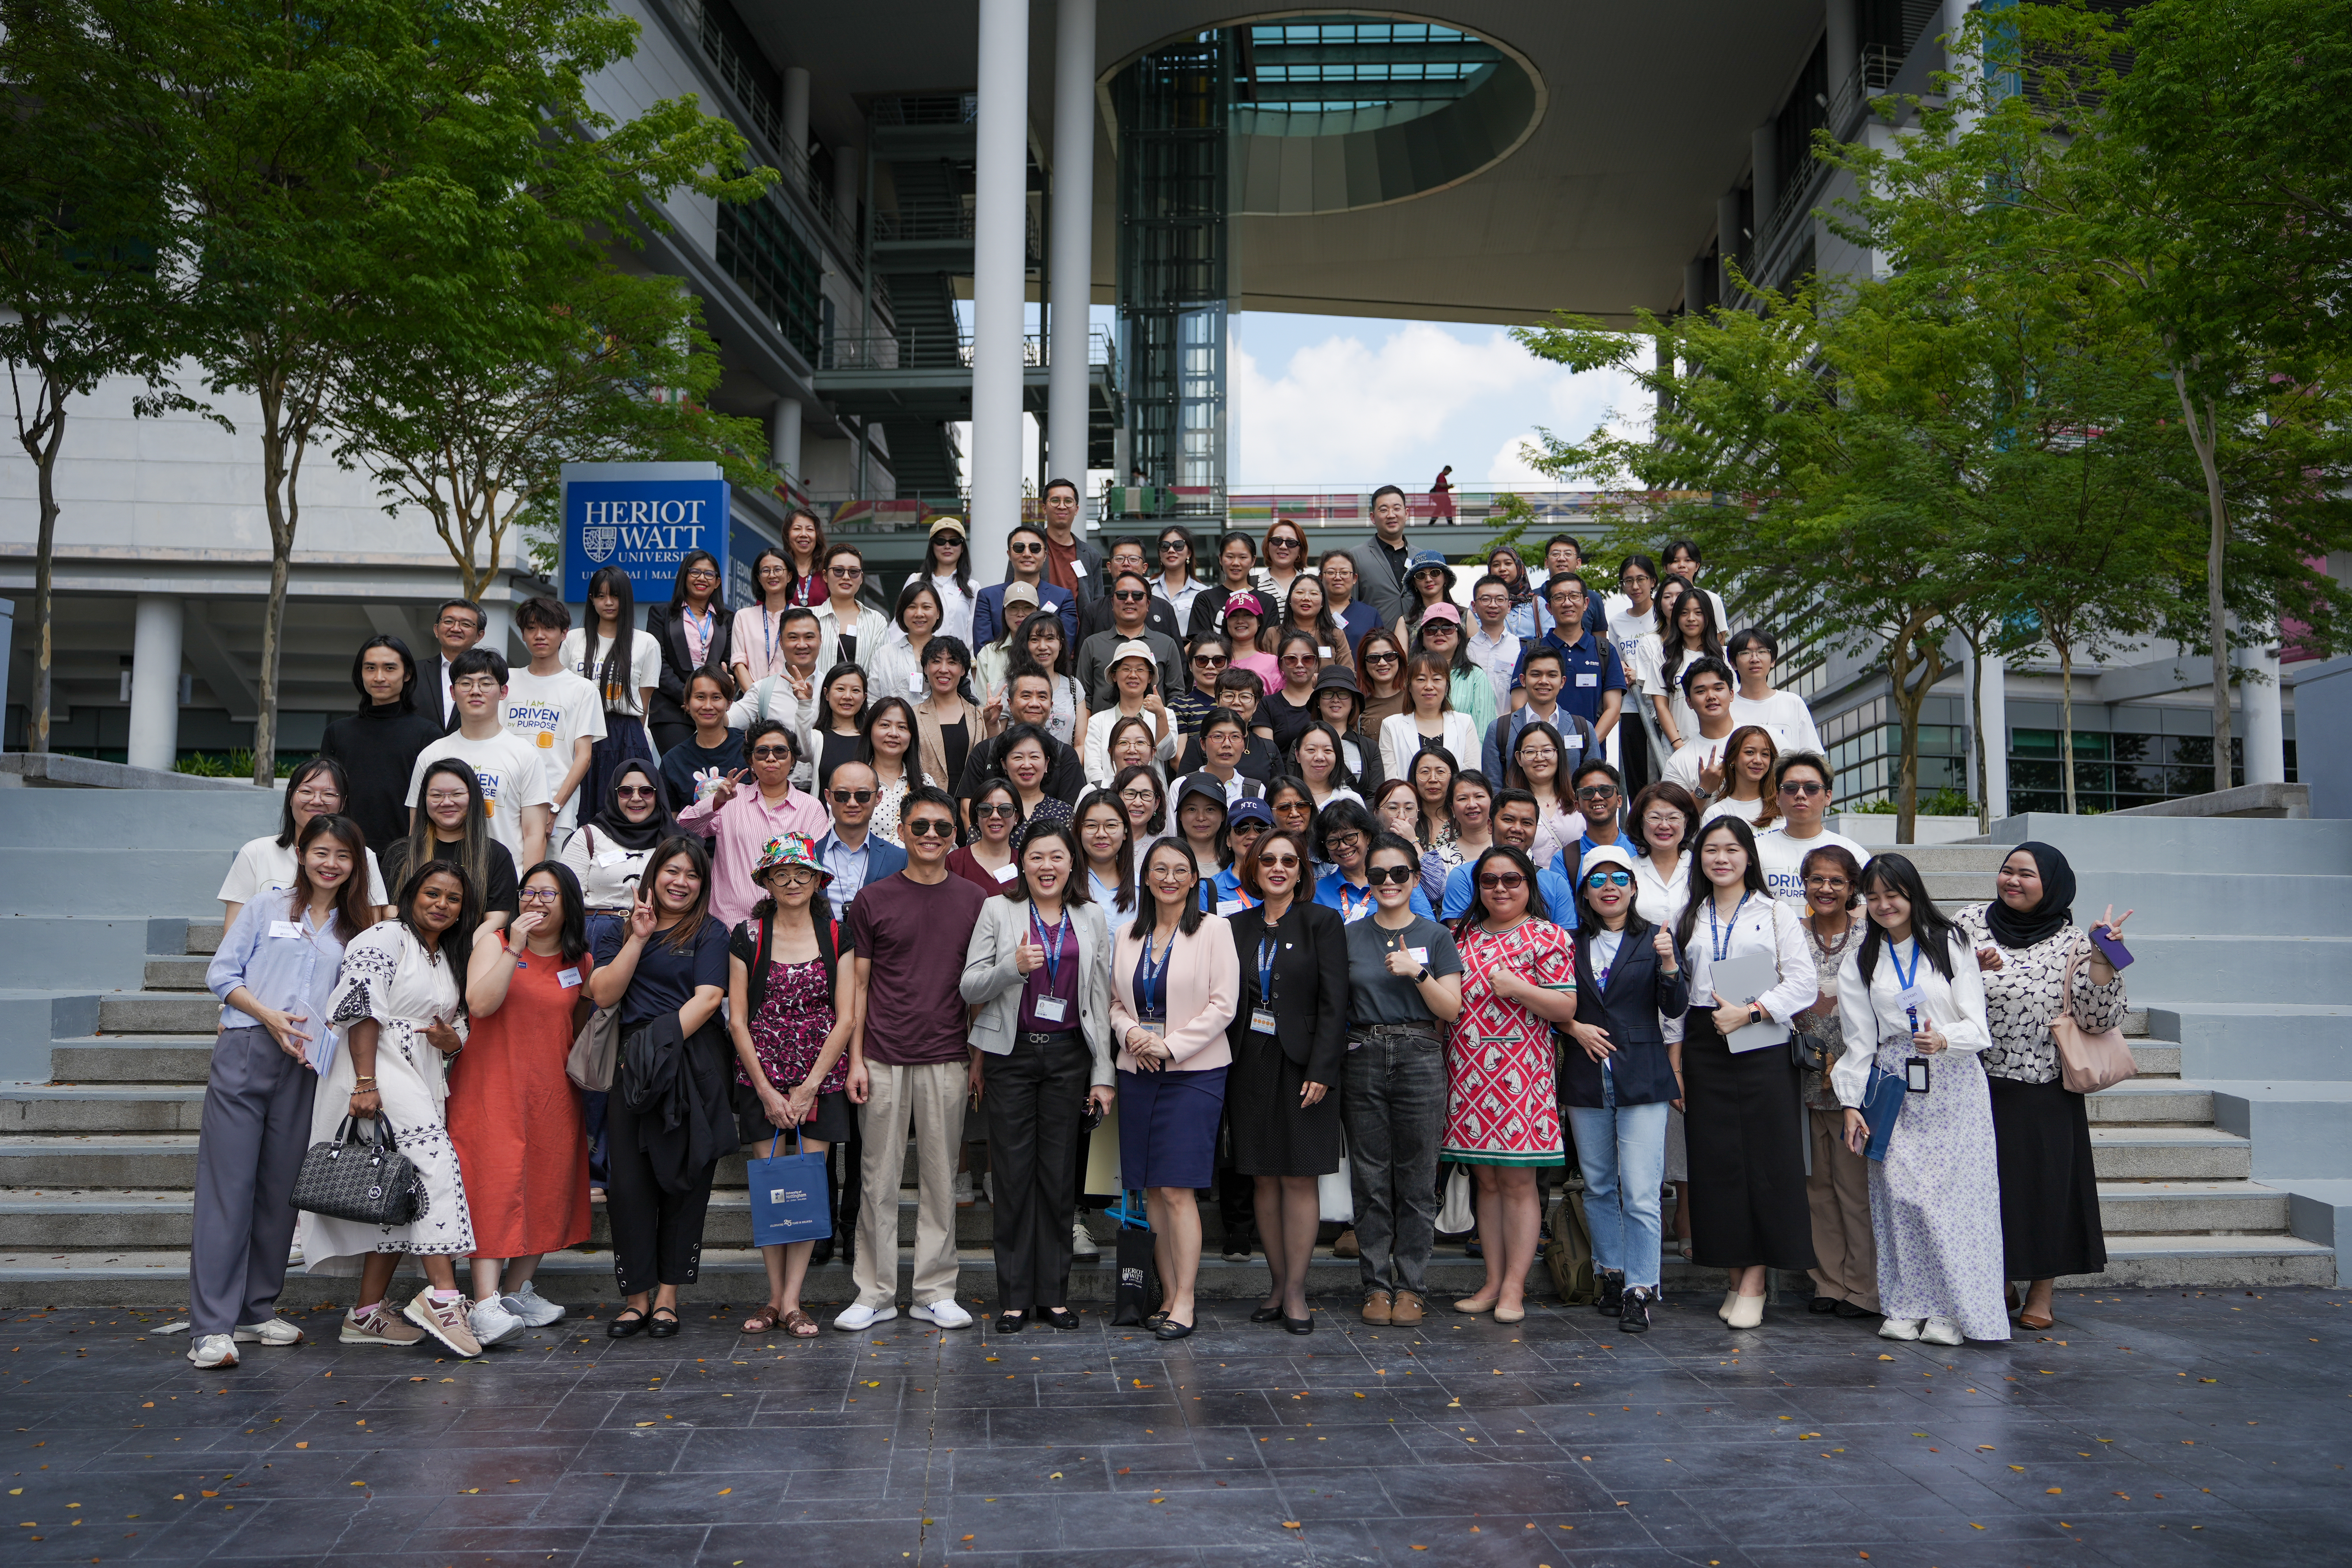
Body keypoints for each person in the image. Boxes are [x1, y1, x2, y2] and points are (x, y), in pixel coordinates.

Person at [187, 814, 376, 1369]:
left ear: (354, 864)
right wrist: (268, 1015)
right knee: (228, 1190)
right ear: (302, 851)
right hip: (247, 1050)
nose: (330, 863)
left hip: (307, 1066)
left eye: (342, 854)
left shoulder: (354, 929)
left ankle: (255, 1308)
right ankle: (211, 1327)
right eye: (321, 851)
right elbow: (222, 974)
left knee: (278, 1192)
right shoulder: (265, 907)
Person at [302, 859, 482, 1356]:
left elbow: (457, 1024)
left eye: (453, 898)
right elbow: (360, 1004)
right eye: (433, 893)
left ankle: (365, 1313)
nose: (442, 904)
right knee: (434, 1167)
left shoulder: (443, 955)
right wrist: (364, 1081)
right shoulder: (383, 938)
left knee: (401, 1190)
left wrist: (452, 1040)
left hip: (422, 1074)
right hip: (377, 1065)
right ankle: (443, 1299)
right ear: (410, 894)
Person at [1957, 843, 2131, 1333]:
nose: (2012, 880)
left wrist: (2104, 958)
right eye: (2007, 870)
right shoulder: (1968, 921)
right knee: (1983, 1190)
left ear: (2050, 883)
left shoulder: (2077, 941)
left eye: (2026, 874)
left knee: (2044, 1191)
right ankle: (1996, 1278)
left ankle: (2041, 1289)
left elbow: (2099, 1019)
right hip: (1974, 1081)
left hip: (2043, 1085)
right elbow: (1939, 980)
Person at [1834, 853, 2004, 1346]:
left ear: (1913, 893)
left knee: (1952, 1202)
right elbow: (1858, 1040)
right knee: (1901, 1199)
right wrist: (1851, 1103)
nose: (1884, 905)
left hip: (1952, 1081)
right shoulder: (1861, 959)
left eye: (1894, 894)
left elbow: (1978, 1025)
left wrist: (1946, 1038)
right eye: (1874, 896)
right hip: (1894, 1084)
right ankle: (1908, 1303)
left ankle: (1953, 1308)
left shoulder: (1951, 943)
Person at [837, 786, 990, 1331]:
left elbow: (981, 990)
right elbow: (858, 986)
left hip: (947, 1054)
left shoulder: (975, 902)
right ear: (901, 831)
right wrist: (853, 1060)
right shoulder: (872, 899)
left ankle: (934, 1289)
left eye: (942, 828)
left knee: (941, 1178)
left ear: (956, 835)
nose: (931, 836)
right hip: (880, 1054)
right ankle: (874, 1292)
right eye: (920, 826)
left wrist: (976, 1056)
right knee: (877, 1180)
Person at [960, 823, 1116, 1331]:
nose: (1047, 866)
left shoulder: (1092, 916)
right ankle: (1013, 1296)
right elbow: (968, 985)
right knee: (1012, 1177)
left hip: (1070, 1057)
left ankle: (1053, 1295)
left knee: (1056, 1179)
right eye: (1036, 857)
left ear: (1072, 863)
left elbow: (1098, 998)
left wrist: (1103, 1073)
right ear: (1021, 863)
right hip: (1012, 1057)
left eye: (1057, 856)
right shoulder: (997, 909)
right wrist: (1012, 965)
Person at [1670, 816, 1818, 1330]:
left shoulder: (1775, 912)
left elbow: (1803, 982)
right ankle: (1734, 1277)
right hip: (1704, 1041)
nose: (1721, 858)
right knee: (1717, 1166)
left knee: (1765, 1162)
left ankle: (1755, 1280)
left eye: (1732, 849)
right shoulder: (1688, 914)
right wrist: (1676, 1062)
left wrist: (1752, 1011)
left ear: (1748, 856)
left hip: (1761, 1040)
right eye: (1711, 849)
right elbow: (1674, 995)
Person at [586, 836, 733, 1339]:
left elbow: (710, 997)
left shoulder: (712, 932)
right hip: (630, 1067)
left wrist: (657, 1042)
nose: (681, 882)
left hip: (690, 1061)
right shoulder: (615, 928)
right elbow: (603, 992)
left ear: (702, 884)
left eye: (692, 875)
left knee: (685, 1179)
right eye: (672, 870)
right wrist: (637, 937)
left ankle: (669, 1296)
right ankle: (636, 1298)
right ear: (653, 874)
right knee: (629, 1184)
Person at [451, 860, 594, 1347]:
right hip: (490, 1085)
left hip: (552, 1091)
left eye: (548, 893)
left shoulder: (581, 961)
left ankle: (515, 1291)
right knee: (493, 1185)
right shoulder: (491, 944)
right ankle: (484, 1301)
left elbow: (575, 1024)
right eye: (529, 891)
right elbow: (480, 1003)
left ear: (569, 903)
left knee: (546, 1183)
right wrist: (514, 945)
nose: (535, 900)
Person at [1110, 839, 1241, 1340]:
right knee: (1154, 1191)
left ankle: (1185, 1299)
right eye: (1159, 869)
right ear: (1145, 877)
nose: (1169, 877)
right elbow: (1115, 1002)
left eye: (1179, 870)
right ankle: (1165, 1294)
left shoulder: (1214, 930)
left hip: (1195, 1072)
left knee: (1179, 1188)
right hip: (1138, 1070)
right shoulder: (1127, 933)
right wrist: (1131, 1035)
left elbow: (1223, 1005)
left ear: (1194, 879)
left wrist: (1168, 1046)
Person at [728, 834, 857, 1339]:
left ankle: (791, 1300)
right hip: (761, 1078)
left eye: (802, 872)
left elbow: (845, 1017)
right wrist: (766, 1090)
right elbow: (738, 1020)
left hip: (818, 1080)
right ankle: (774, 1296)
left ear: (818, 878)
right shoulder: (748, 933)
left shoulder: (836, 933)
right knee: (771, 1189)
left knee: (804, 1186)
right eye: (780, 873)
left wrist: (808, 1089)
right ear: (765, 880)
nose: (792, 881)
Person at [1444, 845, 1577, 1323]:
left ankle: (1514, 1288)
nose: (1500, 888)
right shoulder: (1460, 936)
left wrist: (1519, 987)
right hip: (1469, 1071)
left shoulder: (1548, 936)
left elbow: (1565, 1008)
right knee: (1487, 1177)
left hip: (1522, 1074)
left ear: (1529, 885)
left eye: (1512, 879)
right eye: (1490, 880)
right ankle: (1491, 1281)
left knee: (1519, 1180)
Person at [1561, 842, 1689, 1335]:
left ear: (1633, 889)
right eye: (1597, 879)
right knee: (1598, 1185)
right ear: (1585, 893)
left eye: (1618, 879)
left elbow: (1674, 1006)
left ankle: (1641, 1287)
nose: (1608, 887)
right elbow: (1554, 1008)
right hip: (1585, 1075)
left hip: (1642, 1075)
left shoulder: (1654, 938)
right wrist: (1574, 1027)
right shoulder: (1567, 943)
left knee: (1639, 1190)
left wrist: (1670, 964)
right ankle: (1609, 1273)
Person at [1343, 830, 1465, 1325]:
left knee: (1416, 1176)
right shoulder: (1350, 934)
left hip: (1419, 1050)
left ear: (1415, 878)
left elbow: (1452, 1008)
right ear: (1368, 881)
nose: (1389, 882)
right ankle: (1375, 1284)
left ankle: (1412, 1285)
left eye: (1399, 873)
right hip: (1364, 1049)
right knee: (1370, 1175)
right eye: (1378, 874)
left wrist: (1418, 972)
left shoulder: (1436, 936)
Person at [1788, 842, 1877, 1321]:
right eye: (1816, 879)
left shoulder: (1871, 933)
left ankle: (1863, 1286)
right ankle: (1828, 1281)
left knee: (1853, 1186)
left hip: (1855, 1080)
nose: (1825, 888)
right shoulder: (1789, 930)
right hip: (1800, 1075)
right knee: (1816, 1186)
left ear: (1852, 888)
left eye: (1836, 881)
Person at [1627, 779, 1699, 1257]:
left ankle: (1691, 1214)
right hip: (1646, 1002)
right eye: (1655, 815)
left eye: (1674, 815)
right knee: (1657, 1114)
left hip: (1711, 998)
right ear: (1640, 821)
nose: (1665, 824)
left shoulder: (1705, 867)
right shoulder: (1627, 871)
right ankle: (1650, 1218)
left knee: (1695, 1114)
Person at [406, 648, 554, 872]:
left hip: (503, 884)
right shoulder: (432, 755)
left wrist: (525, 891)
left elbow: (535, 834)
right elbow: (417, 830)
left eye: (486, 684)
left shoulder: (525, 755)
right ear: (453, 693)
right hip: (441, 887)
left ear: (503, 692)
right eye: (466, 684)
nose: (476, 691)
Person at [675, 719, 829, 930]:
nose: (771, 758)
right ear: (751, 760)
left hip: (787, 927)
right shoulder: (730, 800)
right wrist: (716, 802)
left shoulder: (812, 807)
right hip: (727, 924)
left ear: (793, 759)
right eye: (762, 752)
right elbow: (685, 825)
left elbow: (817, 871)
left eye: (781, 751)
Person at [219, 756, 390, 926]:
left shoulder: (363, 855)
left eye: (329, 794)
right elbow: (234, 937)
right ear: (291, 796)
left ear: (343, 803)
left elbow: (370, 932)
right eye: (307, 792)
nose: (317, 801)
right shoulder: (256, 852)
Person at [321, 635, 445, 857]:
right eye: (370, 668)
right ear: (361, 674)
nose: (379, 677)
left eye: (390, 668)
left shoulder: (428, 734)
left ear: (407, 674)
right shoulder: (338, 733)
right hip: (345, 851)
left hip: (407, 853)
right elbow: (326, 797)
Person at [563, 567, 662, 815]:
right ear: (591, 599)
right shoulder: (573, 640)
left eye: (615, 596)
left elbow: (644, 705)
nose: (608, 603)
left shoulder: (646, 643)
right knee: (581, 809)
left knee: (626, 810)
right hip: (579, 733)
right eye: (600, 596)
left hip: (625, 734)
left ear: (626, 598)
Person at [503, 597, 606, 833]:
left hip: (557, 807)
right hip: (505, 802)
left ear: (564, 633)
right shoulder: (506, 682)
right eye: (532, 628)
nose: (540, 635)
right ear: (523, 634)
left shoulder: (583, 689)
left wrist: (555, 807)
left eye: (548, 628)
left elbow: (584, 757)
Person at [386, 759, 521, 935]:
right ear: (424, 800)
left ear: (473, 797)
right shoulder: (401, 852)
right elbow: (389, 910)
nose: (447, 802)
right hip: (410, 949)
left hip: (472, 952)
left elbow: (497, 919)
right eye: (436, 795)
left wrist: (469, 952)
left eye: (457, 794)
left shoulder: (496, 855)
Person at [561, 760, 674, 943]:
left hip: (656, 936)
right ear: (615, 795)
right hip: (594, 934)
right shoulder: (589, 835)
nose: (636, 798)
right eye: (626, 791)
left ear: (658, 794)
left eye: (646, 791)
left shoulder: (673, 839)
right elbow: (568, 898)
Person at [1508, 572, 1625, 749]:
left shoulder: (1605, 651)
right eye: (1559, 598)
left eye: (1574, 596)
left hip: (1590, 759)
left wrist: (1587, 746)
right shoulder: (1532, 650)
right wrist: (1545, 747)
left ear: (1586, 604)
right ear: (1549, 608)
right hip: (1542, 757)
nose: (1567, 603)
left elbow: (1613, 710)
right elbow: (1518, 705)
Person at [957, 670, 1090, 805]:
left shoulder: (1065, 755)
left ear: (1051, 705)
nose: (1034, 703)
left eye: (1042, 697)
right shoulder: (985, 751)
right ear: (1010, 703)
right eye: (1026, 696)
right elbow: (968, 806)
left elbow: (1071, 811)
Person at [646, 550, 734, 753]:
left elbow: (728, 662)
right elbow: (657, 662)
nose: (702, 578)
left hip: (713, 709)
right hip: (671, 709)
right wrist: (688, 698)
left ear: (718, 583)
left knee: (713, 775)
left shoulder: (728, 619)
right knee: (683, 774)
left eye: (709, 574)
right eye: (695, 572)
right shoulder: (661, 614)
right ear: (684, 576)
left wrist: (708, 698)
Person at [730, 605, 826, 791]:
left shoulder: (833, 689)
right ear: (781, 642)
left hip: (824, 794)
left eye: (809, 637)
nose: (802, 644)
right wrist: (721, 695)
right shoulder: (763, 690)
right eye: (793, 638)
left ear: (820, 640)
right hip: (774, 792)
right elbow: (728, 722)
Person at [1754, 753, 1866, 904]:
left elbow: (1862, 911)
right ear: (1777, 797)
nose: (1800, 794)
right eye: (1790, 787)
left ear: (1828, 797)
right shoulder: (1754, 851)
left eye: (1812, 788)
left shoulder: (1853, 853)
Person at [1482, 645, 1599, 787]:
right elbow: (1493, 788)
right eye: (1536, 674)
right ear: (1523, 680)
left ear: (1562, 682)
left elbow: (1593, 784)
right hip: (1517, 808)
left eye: (1552, 675)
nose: (1544, 681)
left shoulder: (1583, 728)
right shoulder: (1499, 730)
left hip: (1570, 808)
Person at [1315, 798, 1435, 924]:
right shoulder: (1319, 892)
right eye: (1333, 841)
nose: (1343, 846)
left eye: (1350, 837)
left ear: (1367, 836)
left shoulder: (1399, 879)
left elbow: (1428, 928)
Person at [817, 760, 910, 919]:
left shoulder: (901, 859)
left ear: (878, 798)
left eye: (863, 795)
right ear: (828, 796)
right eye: (842, 795)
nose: (852, 803)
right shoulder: (809, 856)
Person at [1079, 638, 1171, 787]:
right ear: (1114, 676)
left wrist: (1160, 714)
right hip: (1109, 800)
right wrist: (1113, 797)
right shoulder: (1097, 721)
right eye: (1126, 669)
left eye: (1141, 670)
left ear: (1150, 678)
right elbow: (1093, 769)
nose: (1133, 675)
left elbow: (1166, 754)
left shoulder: (1165, 715)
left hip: (1151, 799)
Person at [1379, 650, 1480, 785]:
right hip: (1409, 805)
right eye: (1421, 680)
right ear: (1409, 686)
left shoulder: (1465, 723)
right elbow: (1390, 781)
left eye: (1437, 679)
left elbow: (1472, 779)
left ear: (1447, 685)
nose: (1429, 687)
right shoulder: (1391, 725)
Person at [974, 523, 1079, 649]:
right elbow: (983, 650)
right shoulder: (988, 597)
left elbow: (1065, 647)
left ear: (1045, 555)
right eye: (1019, 548)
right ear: (1009, 554)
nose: (1027, 554)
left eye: (1035, 548)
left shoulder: (1063, 597)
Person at [658, 670, 748, 813]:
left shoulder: (749, 747)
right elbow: (672, 820)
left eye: (716, 698)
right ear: (687, 703)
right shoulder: (673, 761)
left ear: (729, 704)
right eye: (700, 697)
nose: (708, 706)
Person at [1725, 627, 1823, 757]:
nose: (1755, 659)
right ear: (1733, 663)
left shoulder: (1792, 703)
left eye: (1762, 651)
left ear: (1773, 661)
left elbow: (1813, 757)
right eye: (1746, 653)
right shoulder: (1726, 708)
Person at [1661, 657, 1741, 805]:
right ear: (1689, 702)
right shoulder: (1678, 762)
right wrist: (1704, 788)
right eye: (1701, 691)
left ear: (1731, 694)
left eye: (1718, 689)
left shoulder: (1763, 738)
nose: (1711, 696)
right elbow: (1673, 818)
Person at [913, 637, 986, 799]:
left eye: (952, 662)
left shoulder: (980, 716)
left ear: (963, 670)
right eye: (936, 662)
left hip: (972, 809)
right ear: (926, 668)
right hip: (928, 809)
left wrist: (993, 724)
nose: (944, 669)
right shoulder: (912, 716)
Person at [1412, 603, 1498, 737]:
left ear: (1459, 638)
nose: (1439, 633)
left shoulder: (1476, 676)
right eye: (1431, 629)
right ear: (1422, 639)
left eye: (1447, 628)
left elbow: (1484, 733)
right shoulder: (1410, 674)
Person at [1658, 581, 1724, 755]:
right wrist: (1678, 744)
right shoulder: (1664, 655)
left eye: (1698, 613)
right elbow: (1661, 706)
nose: (1691, 619)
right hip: (1679, 748)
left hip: (1721, 747)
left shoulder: (1723, 656)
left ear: (1708, 617)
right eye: (1684, 613)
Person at [1509, 721, 1583, 873]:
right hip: (1529, 891)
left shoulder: (1580, 802)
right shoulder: (1509, 807)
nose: (1540, 758)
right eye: (1530, 752)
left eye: (1547, 751)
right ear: (1519, 758)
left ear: (1559, 754)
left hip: (1576, 890)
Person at [1008, 609, 1087, 747]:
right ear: (1025, 644)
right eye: (1035, 640)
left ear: (1061, 644)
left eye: (1050, 639)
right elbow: (996, 740)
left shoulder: (1074, 687)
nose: (1043, 647)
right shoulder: (1009, 685)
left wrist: (1070, 768)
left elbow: (1081, 744)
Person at [857, 699, 928, 847]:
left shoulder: (925, 784)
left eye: (902, 727)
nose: (894, 733)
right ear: (869, 730)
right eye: (885, 725)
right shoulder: (852, 781)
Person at [811, 543, 890, 673]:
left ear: (861, 578)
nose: (846, 577)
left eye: (854, 572)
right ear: (825, 576)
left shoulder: (877, 622)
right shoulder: (809, 618)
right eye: (838, 571)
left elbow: (880, 675)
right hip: (815, 693)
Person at [731, 546, 800, 693]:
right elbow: (739, 665)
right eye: (766, 571)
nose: (772, 575)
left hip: (792, 698)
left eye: (778, 570)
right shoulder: (744, 617)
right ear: (759, 578)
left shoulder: (803, 617)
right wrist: (756, 699)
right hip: (752, 702)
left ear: (790, 576)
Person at [866, 579, 947, 704]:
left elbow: (968, 699)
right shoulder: (884, 655)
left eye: (926, 607)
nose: (919, 614)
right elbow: (872, 702)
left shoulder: (952, 653)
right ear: (902, 613)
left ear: (938, 613)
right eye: (912, 607)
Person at [1419, 769, 1493, 907]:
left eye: (1479, 796)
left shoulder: (1511, 849)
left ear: (1491, 801)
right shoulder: (1440, 857)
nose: (1472, 805)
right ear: (1453, 809)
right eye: (1463, 799)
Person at [1347, 485, 1415, 626]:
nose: (1391, 515)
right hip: (1375, 644)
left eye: (1397, 509)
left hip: (1419, 644)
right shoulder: (1355, 557)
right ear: (1373, 517)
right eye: (1384, 510)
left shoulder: (1421, 557)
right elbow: (1348, 605)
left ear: (1407, 514)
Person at [1173, 705, 1272, 800]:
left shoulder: (1255, 790)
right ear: (1203, 744)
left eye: (1235, 737)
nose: (1227, 744)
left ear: (1244, 745)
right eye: (1218, 737)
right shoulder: (1181, 786)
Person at [804, 664, 868, 799]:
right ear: (826, 694)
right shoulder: (817, 738)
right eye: (840, 689)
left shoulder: (872, 739)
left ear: (864, 698)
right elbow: (802, 753)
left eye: (856, 691)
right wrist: (804, 705)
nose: (848, 696)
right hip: (823, 818)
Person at [999, 724, 1075, 836]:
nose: (1026, 765)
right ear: (1004, 764)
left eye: (1034, 757)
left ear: (1046, 764)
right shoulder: (991, 809)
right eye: (1018, 757)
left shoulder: (1064, 812)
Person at [1465, 575, 1523, 720]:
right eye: (1485, 599)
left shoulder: (1522, 649)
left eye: (1500, 599)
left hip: (1509, 729)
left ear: (1509, 606)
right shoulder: (1464, 649)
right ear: (1474, 606)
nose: (1493, 605)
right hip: (1471, 730)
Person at [916, 515, 979, 647]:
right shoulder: (916, 580)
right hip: (919, 662)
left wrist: (973, 664)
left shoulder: (972, 587)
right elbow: (901, 626)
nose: (947, 546)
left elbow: (973, 631)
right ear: (932, 546)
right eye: (940, 541)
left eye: (954, 541)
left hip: (958, 664)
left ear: (963, 548)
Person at [1188, 529, 1262, 638]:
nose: (1236, 563)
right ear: (1221, 559)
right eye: (1230, 557)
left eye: (1243, 557)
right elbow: (1199, 644)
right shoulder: (1205, 599)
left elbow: (1269, 643)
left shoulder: (1267, 601)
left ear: (1253, 561)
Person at [1037, 480, 1105, 602]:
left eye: (1068, 501)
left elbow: (1097, 604)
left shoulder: (1091, 556)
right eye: (1055, 501)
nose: (1062, 506)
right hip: (1037, 621)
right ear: (1044, 508)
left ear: (1077, 509)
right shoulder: (1028, 548)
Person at [1260, 630, 1325, 756]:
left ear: (1316, 663)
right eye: (1291, 659)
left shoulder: (1326, 701)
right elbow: (1267, 756)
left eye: (1307, 659)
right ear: (1281, 664)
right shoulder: (1267, 705)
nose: (1300, 665)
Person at [1702, 725, 1781, 828]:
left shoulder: (1784, 805)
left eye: (1765, 754)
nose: (1758, 760)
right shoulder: (1716, 814)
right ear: (1733, 757)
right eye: (1750, 752)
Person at [424, 597, 486, 730]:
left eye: (466, 624)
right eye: (449, 622)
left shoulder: (490, 679)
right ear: (436, 630)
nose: (456, 629)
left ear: (479, 636)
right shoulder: (413, 673)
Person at [975, 579, 1041, 699]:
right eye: (1013, 607)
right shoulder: (988, 654)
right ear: (1004, 613)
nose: (1020, 614)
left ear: (1037, 612)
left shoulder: (1046, 650)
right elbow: (982, 705)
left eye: (1027, 608)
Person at [1660, 538, 1731, 647]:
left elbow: (1720, 639)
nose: (1682, 565)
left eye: (1688, 560)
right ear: (1666, 568)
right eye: (1675, 561)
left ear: (1697, 566)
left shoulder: (1711, 599)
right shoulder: (1658, 599)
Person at [1271, 552, 1338, 663]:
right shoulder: (1273, 635)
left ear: (1323, 603)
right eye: (1300, 592)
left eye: (1314, 594)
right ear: (1290, 600)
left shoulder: (1337, 635)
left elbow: (1348, 674)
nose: (1306, 598)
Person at [1318, 549, 1382, 653]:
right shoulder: (1312, 612)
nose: (1338, 577)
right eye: (1331, 573)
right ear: (1320, 578)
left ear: (1354, 579)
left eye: (1345, 573)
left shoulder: (1370, 615)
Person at [1294, 720, 1364, 813]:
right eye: (1311, 750)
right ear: (1298, 755)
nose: (1319, 757)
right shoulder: (1285, 800)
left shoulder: (1352, 800)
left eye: (1328, 750)